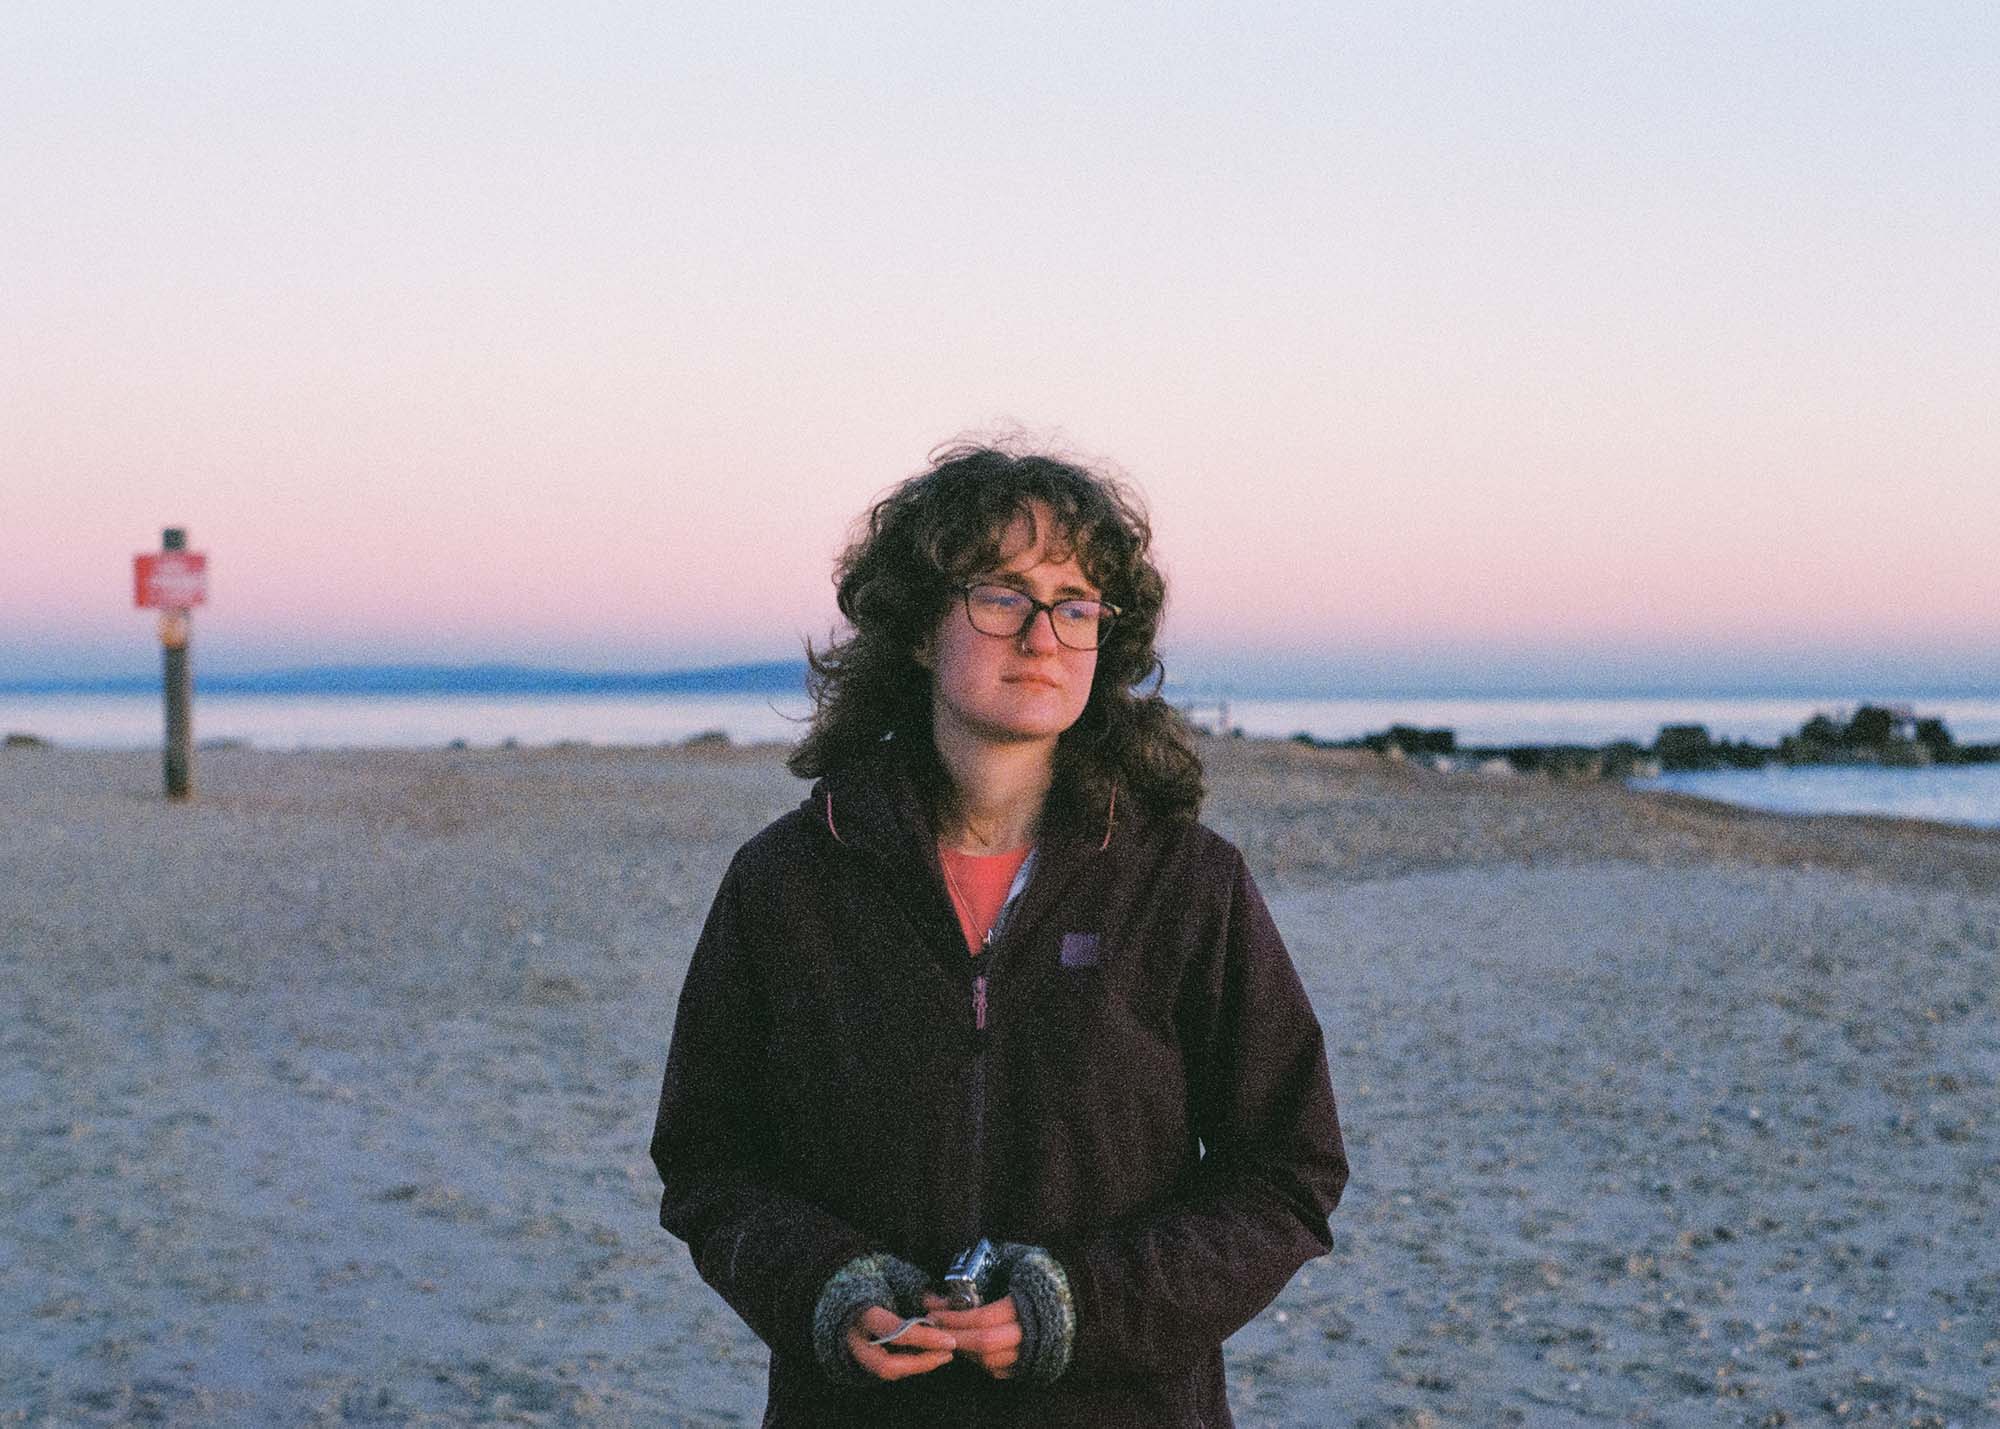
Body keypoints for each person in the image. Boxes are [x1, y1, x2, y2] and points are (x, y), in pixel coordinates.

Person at [650, 443, 1347, 1426]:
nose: (1041, 633)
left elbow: (1286, 1176)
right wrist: (824, 1287)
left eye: (1074, 603)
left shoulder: (1186, 883)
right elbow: (710, 1162)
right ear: (917, 630)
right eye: (1000, 595)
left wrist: (1074, 1308)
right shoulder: (789, 883)